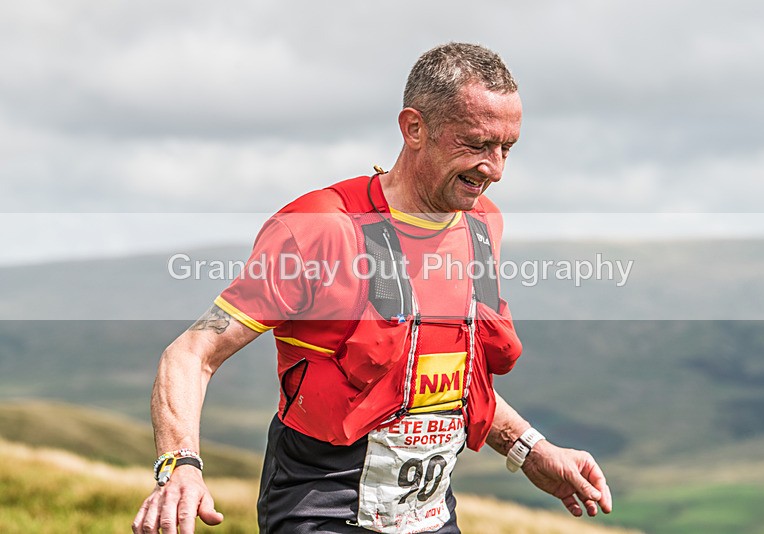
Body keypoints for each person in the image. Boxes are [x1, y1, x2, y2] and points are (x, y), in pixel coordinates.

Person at [132, 42, 612, 534]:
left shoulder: (482, 225)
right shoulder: (317, 227)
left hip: (430, 515)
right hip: (320, 506)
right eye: (475, 144)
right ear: (414, 128)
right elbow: (192, 353)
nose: (494, 169)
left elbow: (444, 374)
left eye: (506, 148)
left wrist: (530, 448)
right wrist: (180, 467)